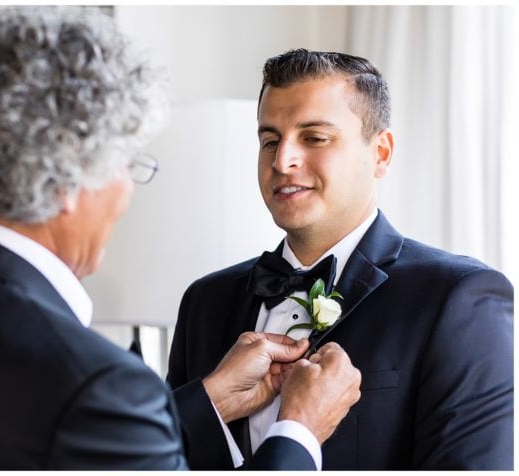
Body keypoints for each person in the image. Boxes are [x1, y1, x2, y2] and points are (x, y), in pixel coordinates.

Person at [0, 9, 360, 470]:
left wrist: (208, 400)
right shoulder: (95, 383)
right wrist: (299, 430)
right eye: (125, 163)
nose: (128, 189)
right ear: (67, 177)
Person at [166, 49, 514, 470]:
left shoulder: (459, 299)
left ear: (381, 153)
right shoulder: (205, 301)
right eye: (270, 140)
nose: (282, 161)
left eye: (314, 137)